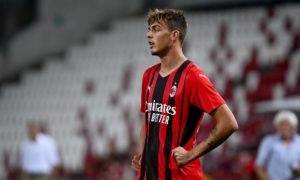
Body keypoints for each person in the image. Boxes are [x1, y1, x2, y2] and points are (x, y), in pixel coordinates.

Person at [131, 9, 239, 179]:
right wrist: (143, 154)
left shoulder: (193, 76)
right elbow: (147, 121)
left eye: (156, 29)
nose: (149, 34)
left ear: (174, 35)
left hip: (180, 175)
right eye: (149, 29)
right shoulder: (148, 75)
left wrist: (192, 154)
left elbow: (229, 123)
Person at [255, 110, 300, 180]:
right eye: (282, 124)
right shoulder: (269, 141)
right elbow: (259, 166)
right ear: (277, 126)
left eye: (287, 125)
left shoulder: (299, 141)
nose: (284, 127)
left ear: (292, 126)